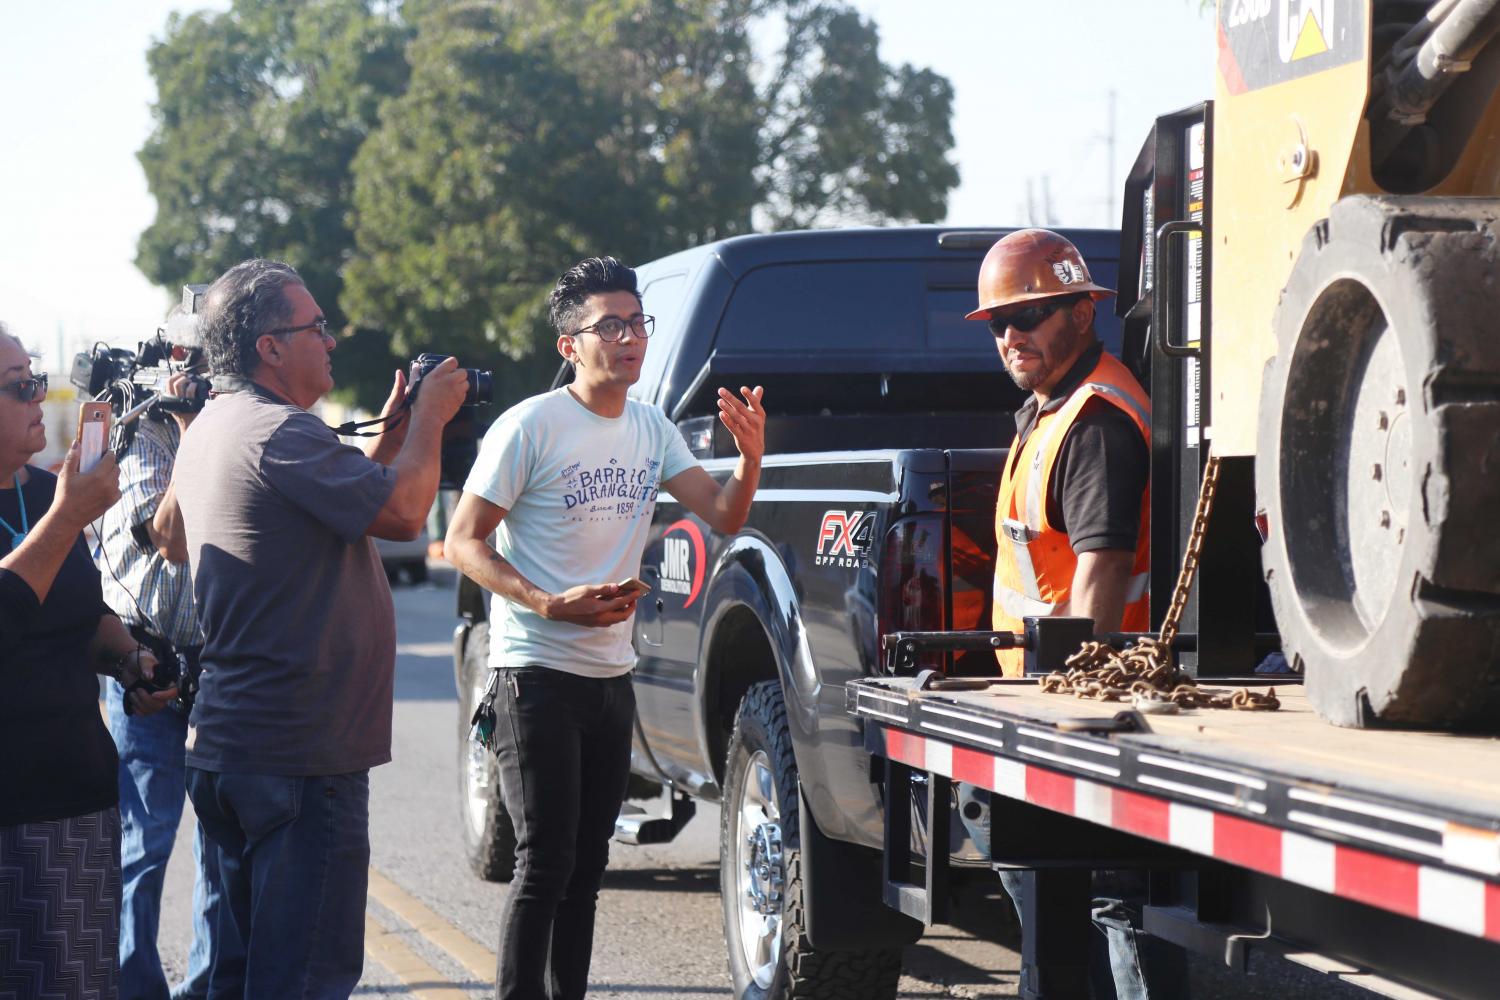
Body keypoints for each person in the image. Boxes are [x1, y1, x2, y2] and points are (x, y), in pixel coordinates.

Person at [444, 256, 765, 1000]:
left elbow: (721, 515)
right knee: (544, 863)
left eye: (637, 323)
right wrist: (546, 601)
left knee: (589, 868)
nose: (630, 339)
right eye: (610, 325)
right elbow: (464, 542)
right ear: (570, 345)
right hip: (534, 676)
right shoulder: (530, 426)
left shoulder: (651, 428)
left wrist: (749, 460)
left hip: (610, 677)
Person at [158, 259, 469, 998]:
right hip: (298, 755)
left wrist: (388, 438)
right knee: (303, 979)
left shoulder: (215, 428)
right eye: (317, 327)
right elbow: (401, 516)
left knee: (237, 978)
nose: (331, 340)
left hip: (235, 748)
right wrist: (430, 418)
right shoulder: (280, 433)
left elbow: (171, 536)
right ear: (270, 346)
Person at [965, 229, 1180, 999]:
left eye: (1033, 316)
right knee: (1084, 906)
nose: (1012, 335)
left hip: (1086, 705)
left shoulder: (1093, 421)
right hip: (1049, 694)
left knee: (1109, 904)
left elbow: (1103, 573)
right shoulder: (1050, 408)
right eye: (999, 323)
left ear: (1083, 314)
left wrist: (1067, 716)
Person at [0, 324, 172, 1000]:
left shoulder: (44, 496)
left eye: (35, 377)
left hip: (75, 804)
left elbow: (81, 613)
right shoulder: (60, 510)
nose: (40, 395)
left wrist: (130, 659)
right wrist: (69, 518)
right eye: (19, 386)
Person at [94, 301, 224, 1000]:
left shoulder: (236, 427)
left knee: (217, 848)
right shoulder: (144, 429)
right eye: (190, 357)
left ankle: (202, 988)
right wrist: (186, 427)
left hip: (216, 666)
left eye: (213, 357)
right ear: (170, 360)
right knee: (144, 845)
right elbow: (166, 536)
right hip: (143, 660)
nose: (201, 372)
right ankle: (133, 986)